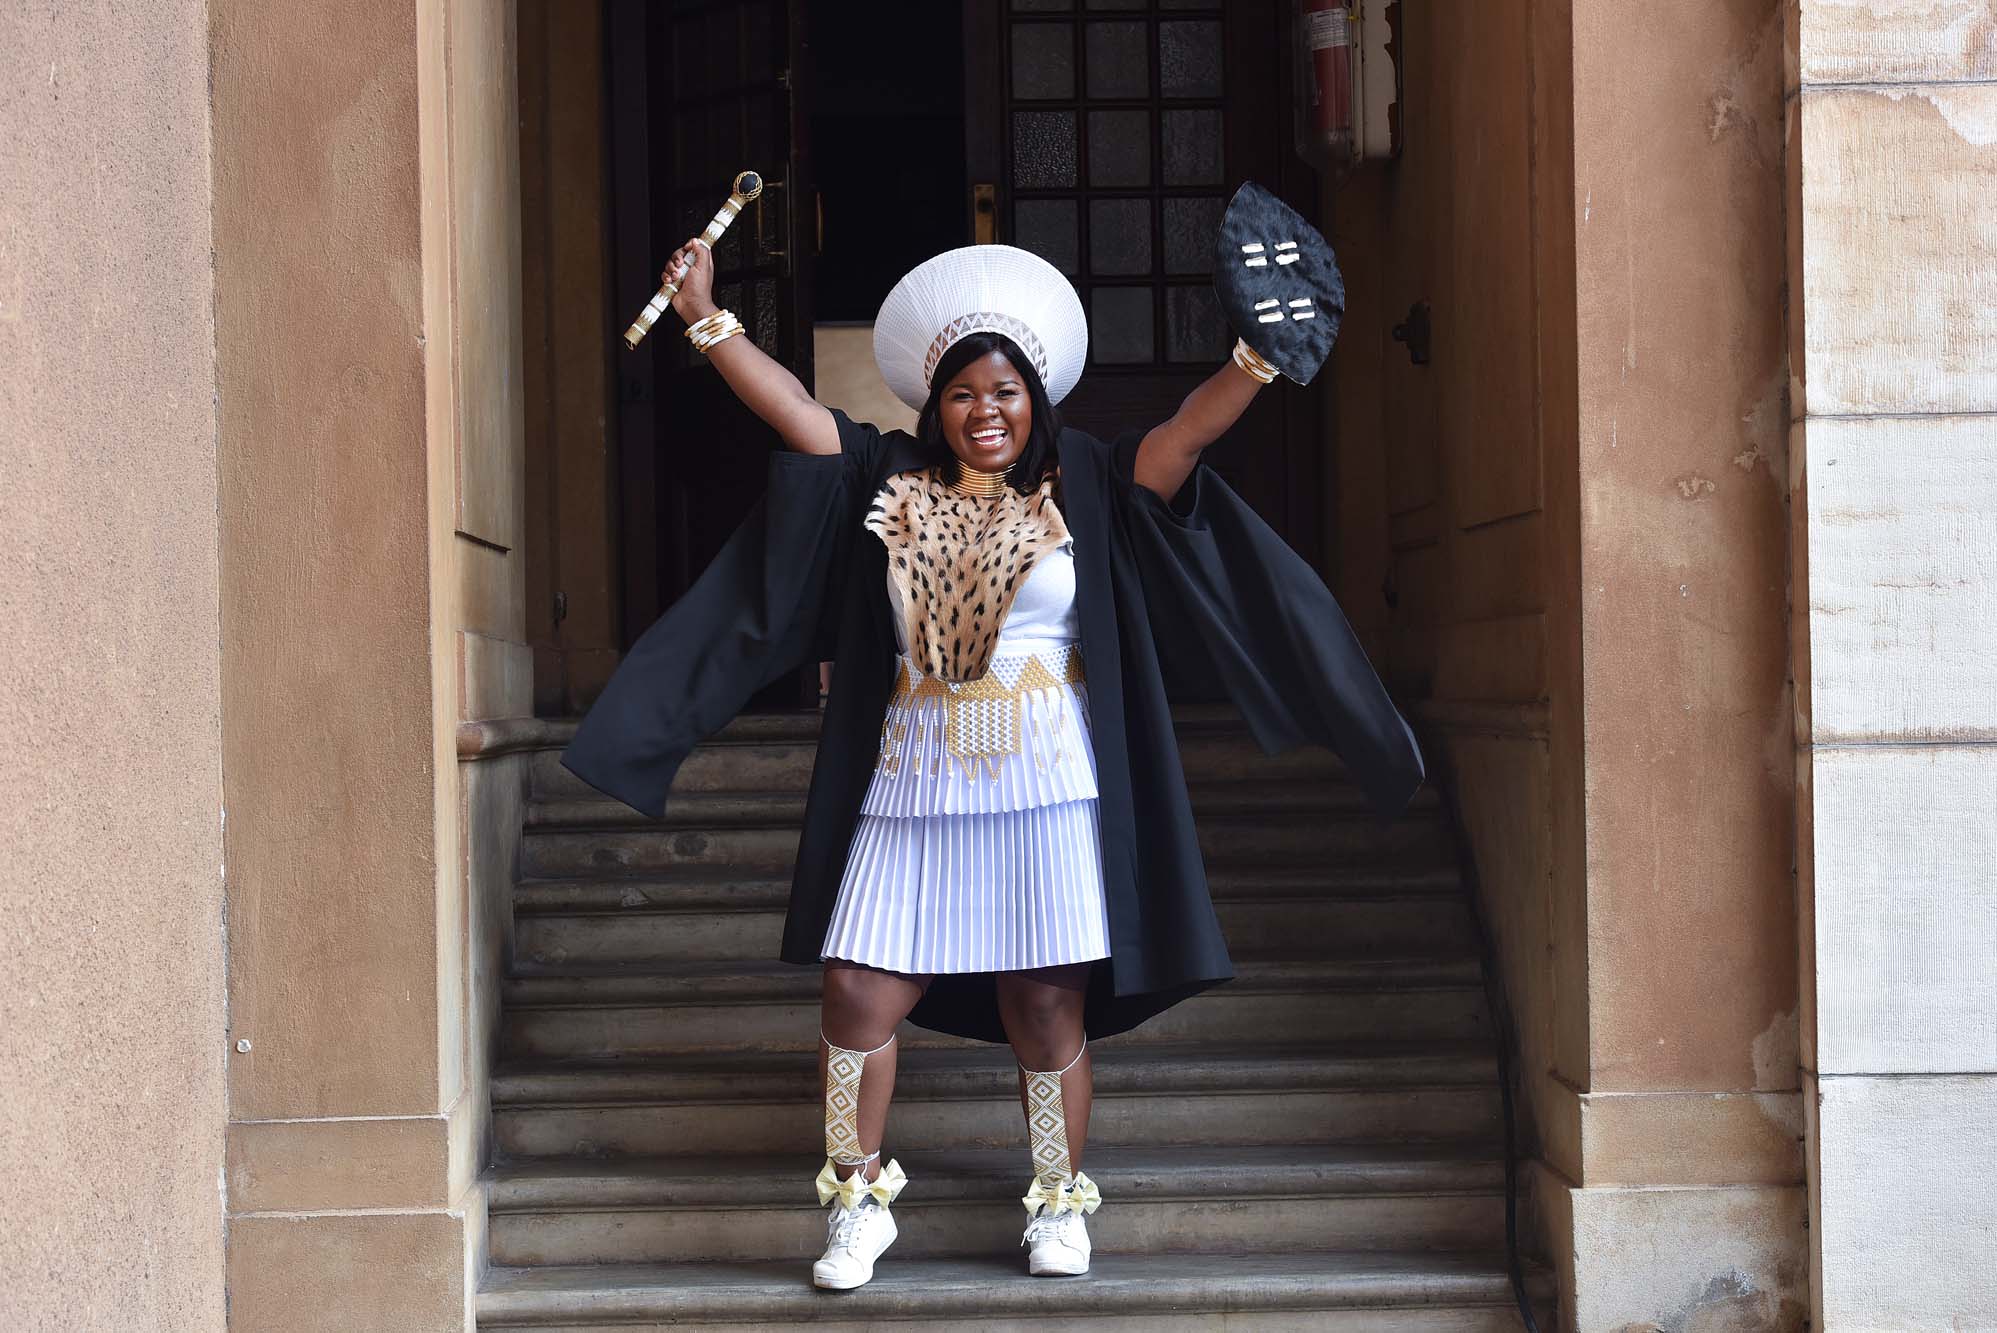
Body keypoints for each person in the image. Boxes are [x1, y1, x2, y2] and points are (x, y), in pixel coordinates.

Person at [562, 239, 1424, 1292]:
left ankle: (1058, 1203)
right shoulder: (886, 477)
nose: (984, 410)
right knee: (852, 993)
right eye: (963, 392)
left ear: (1034, 398)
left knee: (1046, 1005)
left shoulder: (1092, 482)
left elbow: (1183, 438)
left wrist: (1251, 359)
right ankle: (854, 1199)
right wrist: (704, 315)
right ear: (935, 405)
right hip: (913, 778)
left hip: (1046, 781)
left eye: (1004, 391)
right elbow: (792, 411)